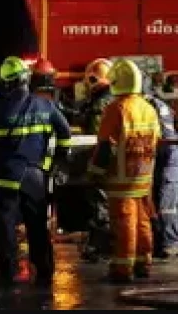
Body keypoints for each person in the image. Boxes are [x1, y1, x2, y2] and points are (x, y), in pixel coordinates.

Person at [0, 57, 73, 287]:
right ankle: (44, 271)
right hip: (35, 177)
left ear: (6, 83)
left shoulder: (0, 108)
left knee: (6, 228)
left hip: (7, 179)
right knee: (37, 226)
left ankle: (8, 273)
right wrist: (60, 161)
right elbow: (65, 133)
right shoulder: (46, 106)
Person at [86, 59, 161, 283]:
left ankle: (122, 268)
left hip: (121, 178)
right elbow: (156, 140)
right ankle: (143, 263)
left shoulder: (116, 109)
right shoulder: (149, 108)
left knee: (124, 221)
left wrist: (95, 172)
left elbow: (106, 146)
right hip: (144, 175)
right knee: (143, 220)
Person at [143, 74, 178, 261]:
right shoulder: (157, 104)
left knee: (166, 202)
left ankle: (171, 243)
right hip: (165, 152)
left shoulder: (148, 107)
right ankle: (161, 242)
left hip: (168, 154)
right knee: (157, 200)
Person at [79, 58, 115, 262]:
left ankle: (101, 248)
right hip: (116, 163)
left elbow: (98, 137)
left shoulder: (101, 103)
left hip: (102, 162)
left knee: (101, 204)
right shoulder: (112, 99)